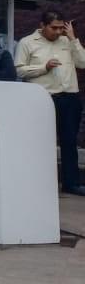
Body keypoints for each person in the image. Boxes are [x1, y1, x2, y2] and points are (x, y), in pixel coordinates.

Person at [15, 10, 85, 195]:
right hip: (43, 98)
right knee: (41, 142)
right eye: (54, 28)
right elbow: (20, 70)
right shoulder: (27, 43)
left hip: (69, 97)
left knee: (69, 141)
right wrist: (43, 67)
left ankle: (71, 183)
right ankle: (40, 181)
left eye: (61, 28)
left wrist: (73, 39)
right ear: (42, 26)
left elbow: (83, 63)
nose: (58, 32)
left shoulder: (67, 41)